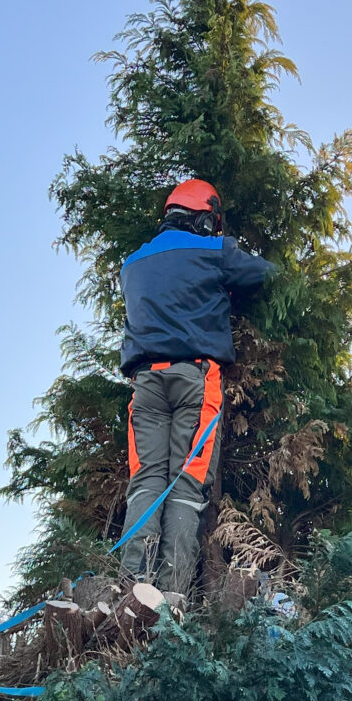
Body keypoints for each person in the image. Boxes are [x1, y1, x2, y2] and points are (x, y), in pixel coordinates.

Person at [117, 178, 276, 593]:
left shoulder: (132, 263)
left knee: (147, 482)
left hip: (146, 384)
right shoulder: (212, 251)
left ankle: (133, 590)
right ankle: (171, 598)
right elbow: (263, 275)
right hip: (196, 379)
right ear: (205, 219)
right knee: (186, 485)